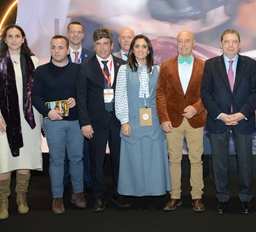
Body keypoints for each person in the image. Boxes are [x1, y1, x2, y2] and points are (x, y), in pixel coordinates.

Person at [200, 29, 256, 214]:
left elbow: (254, 92)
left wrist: (241, 114)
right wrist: (220, 115)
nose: (230, 45)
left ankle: (245, 197)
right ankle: (222, 197)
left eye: (234, 41)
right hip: (219, 120)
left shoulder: (250, 64)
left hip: (243, 119)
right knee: (219, 162)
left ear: (239, 44)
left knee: (245, 162)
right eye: (227, 41)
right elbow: (205, 93)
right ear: (221, 44)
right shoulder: (210, 64)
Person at [76, 27, 130, 212]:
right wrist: (84, 123)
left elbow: (127, 95)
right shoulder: (85, 67)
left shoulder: (123, 65)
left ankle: (118, 193)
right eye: (98, 44)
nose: (101, 47)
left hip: (118, 121)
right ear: (94, 46)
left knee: (119, 160)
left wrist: (127, 121)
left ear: (112, 45)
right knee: (96, 161)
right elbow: (81, 98)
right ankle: (99, 197)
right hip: (95, 123)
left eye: (105, 43)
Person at [115, 34, 171, 211]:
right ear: (132, 50)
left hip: (154, 123)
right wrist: (124, 121)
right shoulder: (124, 70)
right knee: (135, 159)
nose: (140, 50)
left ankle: (153, 197)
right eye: (137, 46)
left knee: (153, 160)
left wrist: (165, 118)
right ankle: (137, 196)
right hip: (132, 122)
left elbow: (163, 98)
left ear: (149, 50)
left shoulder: (158, 70)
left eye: (144, 47)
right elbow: (121, 97)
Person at [31, 35, 86, 214]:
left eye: (61, 48)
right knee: (56, 160)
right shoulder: (41, 71)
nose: (57, 51)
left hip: (75, 122)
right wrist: (48, 112)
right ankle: (57, 197)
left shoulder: (78, 70)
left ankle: (77, 193)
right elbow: (35, 97)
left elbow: (84, 94)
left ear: (68, 50)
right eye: (53, 47)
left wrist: (75, 100)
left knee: (77, 158)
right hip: (53, 123)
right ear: (50, 49)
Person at [156, 30, 207, 212]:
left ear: (194, 43)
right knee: (174, 160)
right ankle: (175, 195)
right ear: (176, 44)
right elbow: (160, 93)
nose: (183, 44)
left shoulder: (204, 65)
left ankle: (197, 196)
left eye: (187, 41)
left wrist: (197, 108)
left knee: (196, 160)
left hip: (195, 119)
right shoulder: (166, 65)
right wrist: (163, 118)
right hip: (172, 120)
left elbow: (208, 92)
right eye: (180, 41)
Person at [0, 24, 42, 220]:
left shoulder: (33, 61)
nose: (14, 39)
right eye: (10, 36)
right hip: (4, 120)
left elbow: (40, 91)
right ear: (5, 39)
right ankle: (3, 201)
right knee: (4, 160)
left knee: (25, 158)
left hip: (28, 118)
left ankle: (21, 198)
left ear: (23, 39)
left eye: (18, 36)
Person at [64, 21, 94, 194]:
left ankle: (86, 182)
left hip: (86, 112)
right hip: (66, 112)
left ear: (83, 35)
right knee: (67, 149)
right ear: (68, 34)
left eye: (79, 32)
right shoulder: (59, 55)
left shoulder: (92, 56)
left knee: (86, 150)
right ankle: (67, 182)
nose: (75, 35)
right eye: (72, 32)